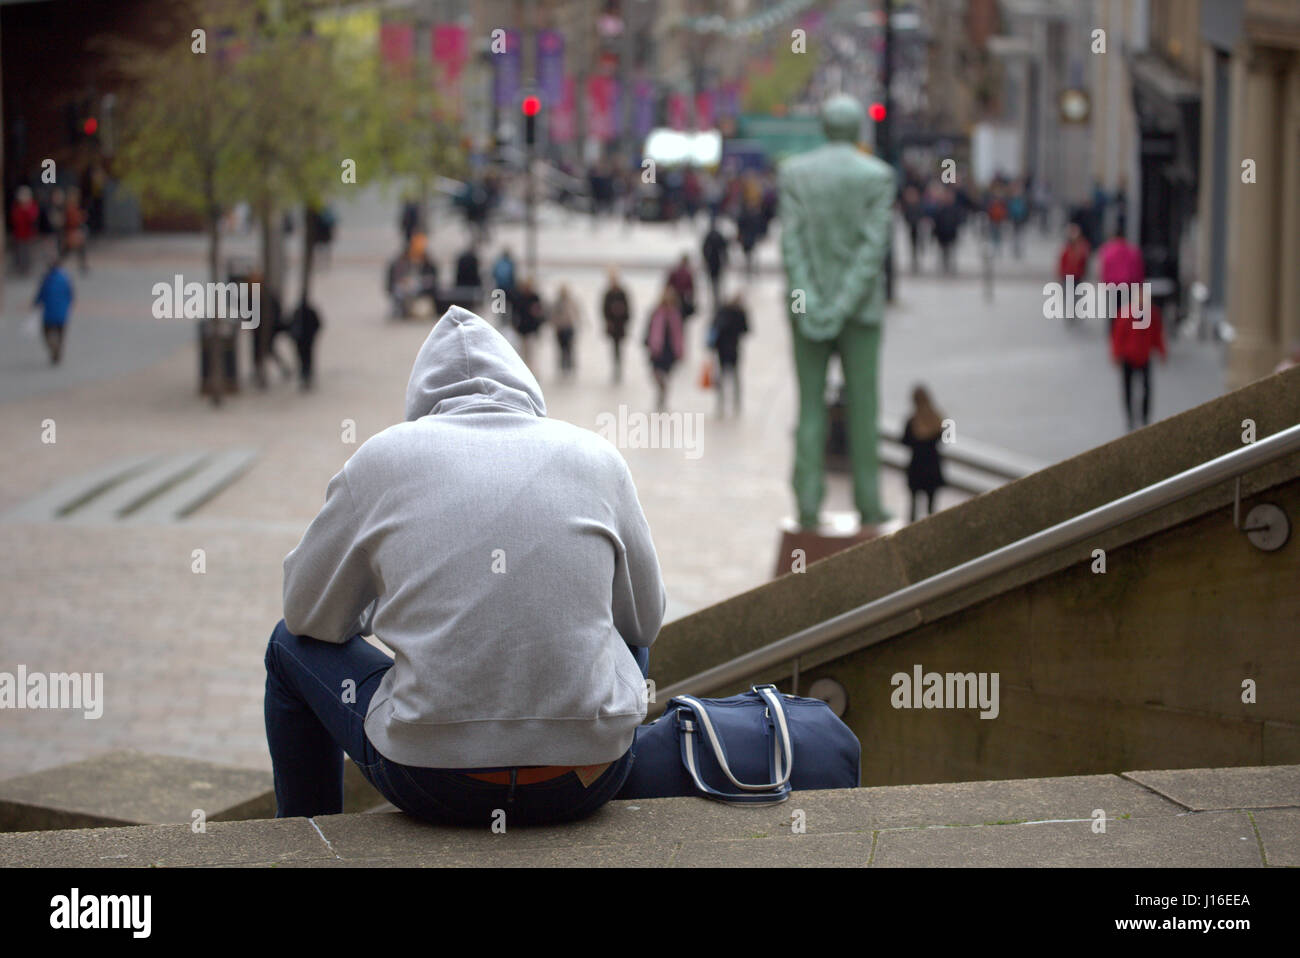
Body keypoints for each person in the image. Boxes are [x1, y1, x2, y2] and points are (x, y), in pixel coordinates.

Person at [265, 306, 665, 825]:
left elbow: (304, 615)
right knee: (620, 609)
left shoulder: (382, 459)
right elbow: (645, 622)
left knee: (286, 647)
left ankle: (307, 838)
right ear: (525, 386)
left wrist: (375, 605)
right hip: (584, 778)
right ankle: (581, 738)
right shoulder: (597, 457)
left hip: (431, 778)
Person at [779, 94, 894, 529]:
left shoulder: (795, 173)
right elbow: (872, 247)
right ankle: (869, 502)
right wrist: (844, 304)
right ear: (856, 130)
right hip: (860, 313)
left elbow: (792, 243)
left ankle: (808, 503)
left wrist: (811, 302)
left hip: (807, 310)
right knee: (864, 406)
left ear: (824, 128)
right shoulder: (877, 176)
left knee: (810, 407)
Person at [1110, 287, 1166, 431]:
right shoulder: (1126, 315)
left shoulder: (1152, 314)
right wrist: (1116, 354)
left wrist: (1161, 351)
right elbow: (1118, 336)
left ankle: (1144, 416)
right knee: (1128, 388)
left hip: (1144, 355)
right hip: (1129, 356)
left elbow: (1157, 334)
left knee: (1146, 387)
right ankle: (1130, 416)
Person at [901, 386, 946, 522]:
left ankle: (912, 532)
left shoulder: (911, 421)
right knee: (932, 506)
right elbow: (947, 440)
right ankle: (932, 530)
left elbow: (904, 441)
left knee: (913, 505)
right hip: (933, 464)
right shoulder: (938, 419)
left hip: (916, 465)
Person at [708, 291, 749, 416]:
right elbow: (746, 329)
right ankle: (736, 402)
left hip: (722, 350)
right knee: (735, 377)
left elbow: (713, 329)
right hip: (733, 349)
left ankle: (721, 402)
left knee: (723, 376)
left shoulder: (722, 312)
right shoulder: (739, 313)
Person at [644, 287, 684, 411]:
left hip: (669, 349)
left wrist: (680, 350)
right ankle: (661, 393)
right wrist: (647, 343)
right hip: (657, 348)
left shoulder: (675, 314)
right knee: (656, 374)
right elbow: (648, 329)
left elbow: (679, 333)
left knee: (666, 375)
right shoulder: (656, 312)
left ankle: (663, 397)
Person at [33, 252, 74, 365]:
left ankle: (53, 346)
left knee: (46, 331)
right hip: (62, 313)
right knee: (61, 333)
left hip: (49, 314)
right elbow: (71, 295)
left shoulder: (47, 279)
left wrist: (35, 304)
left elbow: (40, 295)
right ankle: (58, 348)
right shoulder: (65, 279)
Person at [1058, 222, 1092, 325]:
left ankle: (1075, 310)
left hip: (1077, 275)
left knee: (1076, 294)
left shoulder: (1082, 247)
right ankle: (1070, 312)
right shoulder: (1066, 249)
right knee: (1068, 295)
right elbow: (1062, 262)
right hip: (1067, 276)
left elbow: (1084, 262)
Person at [601, 268, 631, 384]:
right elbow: (603, 309)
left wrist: (624, 317)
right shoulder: (608, 293)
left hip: (620, 325)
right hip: (612, 325)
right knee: (614, 348)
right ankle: (616, 367)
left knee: (619, 347)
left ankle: (619, 367)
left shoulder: (622, 293)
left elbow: (628, 309)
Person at [512, 276, 545, 370]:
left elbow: (540, 313)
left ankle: (532, 370)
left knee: (532, 352)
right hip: (522, 329)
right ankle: (525, 370)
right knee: (523, 352)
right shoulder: (519, 298)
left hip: (532, 329)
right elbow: (515, 313)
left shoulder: (534, 297)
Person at [290, 299, 323, 391]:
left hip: (306, 341)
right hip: (302, 341)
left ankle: (306, 376)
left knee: (306, 359)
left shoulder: (300, 312)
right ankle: (305, 376)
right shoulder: (298, 313)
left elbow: (318, 324)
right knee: (304, 359)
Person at [551, 284, 580, 376]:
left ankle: (570, 366)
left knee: (569, 348)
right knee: (561, 349)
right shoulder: (557, 303)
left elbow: (576, 313)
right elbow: (553, 315)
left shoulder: (571, 301)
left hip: (569, 327)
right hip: (560, 328)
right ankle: (563, 366)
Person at [701, 218, 729, 313]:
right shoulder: (717, 236)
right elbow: (724, 249)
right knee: (717, 282)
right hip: (715, 262)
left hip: (713, 262)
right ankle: (717, 299)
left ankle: (716, 298)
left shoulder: (710, 236)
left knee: (714, 282)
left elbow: (704, 249)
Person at [10, 186, 40, 276]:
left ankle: (28, 268)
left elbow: (33, 218)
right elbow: (14, 219)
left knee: (29, 252)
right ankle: (21, 267)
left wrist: (26, 210)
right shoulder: (17, 207)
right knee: (20, 252)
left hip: (29, 234)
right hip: (19, 234)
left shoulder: (32, 206)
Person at [666, 254, 696, 324]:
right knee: (680, 315)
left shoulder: (675, 271)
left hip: (675, 297)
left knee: (676, 315)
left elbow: (669, 284)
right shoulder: (688, 273)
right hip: (681, 297)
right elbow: (691, 288)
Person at [453, 245, 483, 312]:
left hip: (462, 285)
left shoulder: (461, 259)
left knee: (463, 305)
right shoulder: (474, 259)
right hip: (471, 285)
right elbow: (476, 273)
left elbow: (458, 273)